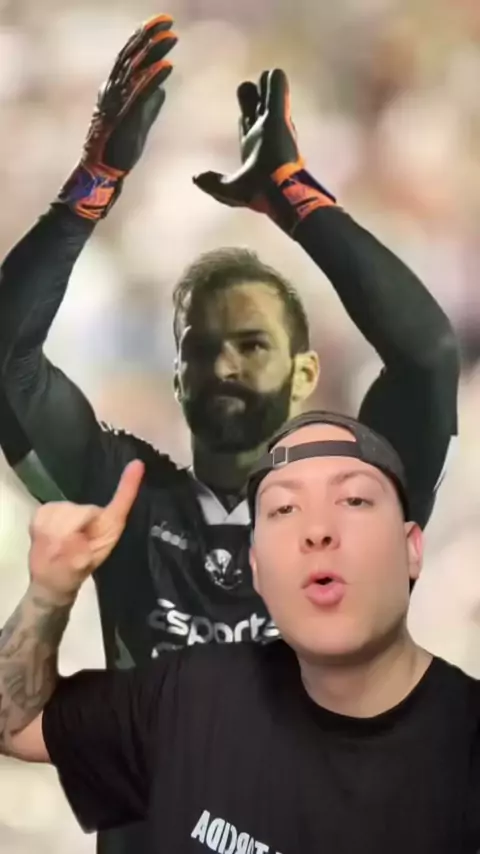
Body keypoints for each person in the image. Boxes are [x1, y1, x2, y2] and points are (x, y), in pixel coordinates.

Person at [0, 14, 459, 851]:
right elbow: (8, 362)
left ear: (307, 373)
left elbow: (427, 358)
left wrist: (295, 194)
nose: (225, 366)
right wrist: (95, 179)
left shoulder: (356, 504)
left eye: (252, 344)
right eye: (200, 348)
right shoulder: (125, 499)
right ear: (175, 377)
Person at [0, 411, 478, 854]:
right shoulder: (189, 697)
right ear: (256, 569)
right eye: (284, 509)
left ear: (412, 548)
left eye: (354, 499)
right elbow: (15, 726)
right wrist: (50, 592)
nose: (317, 530)